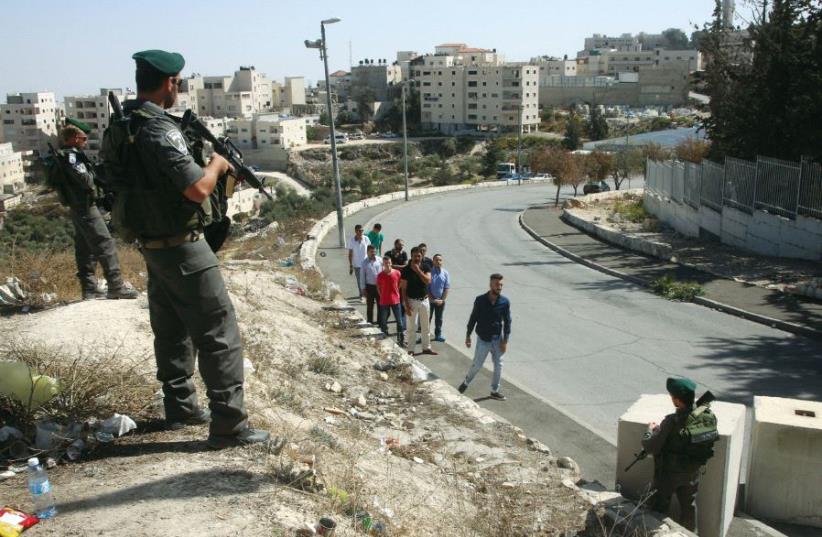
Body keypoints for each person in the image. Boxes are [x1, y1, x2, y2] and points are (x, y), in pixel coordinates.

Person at [103, 49, 269, 448]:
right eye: (178, 83)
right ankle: (230, 425)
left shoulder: (120, 125)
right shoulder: (159, 128)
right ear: (170, 82)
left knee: (172, 328)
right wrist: (216, 164)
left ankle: (180, 408)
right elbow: (196, 188)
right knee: (218, 331)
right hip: (183, 246)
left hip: (153, 244)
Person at [55, 120, 138, 301]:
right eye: (84, 138)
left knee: (85, 248)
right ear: (75, 138)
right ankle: (116, 286)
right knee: (105, 243)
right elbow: (85, 180)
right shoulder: (72, 157)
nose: (85, 141)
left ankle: (89, 289)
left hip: (78, 207)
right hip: (85, 206)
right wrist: (94, 173)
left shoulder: (67, 155)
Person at [641, 377, 707, 531]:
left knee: (658, 508)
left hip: (668, 475)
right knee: (689, 507)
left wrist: (649, 431)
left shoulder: (671, 421)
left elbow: (651, 447)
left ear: (677, 401)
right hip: (692, 472)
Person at [458, 273, 511, 401]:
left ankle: (494, 390)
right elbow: (473, 318)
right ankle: (465, 383)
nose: (499, 287)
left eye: (501, 285)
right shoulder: (480, 300)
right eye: (497, 284)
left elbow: (507, 322)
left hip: (497, 339)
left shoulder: (504, 302)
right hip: (483, 339)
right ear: (491, 285)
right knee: (477, 364)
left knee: (499, 365)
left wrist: (505, 341)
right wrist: (468, 335)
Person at [400, 247, 437, 356]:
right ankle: (411, 350)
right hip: (411, 301)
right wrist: (406, 305)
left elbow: (428, 280)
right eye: (415, 256)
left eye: (419, 256)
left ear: (422, 256)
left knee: (426, 326)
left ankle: (426, 348)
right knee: (412, 327)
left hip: (424, 301)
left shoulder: (426, 267)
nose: (417, 258)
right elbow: (403, 289)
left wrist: (418, 270)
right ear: (411, 256)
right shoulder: (406, 270)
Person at [376, 255, 404, 345]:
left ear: (391, 263)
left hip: (396, 300)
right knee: (383, 321)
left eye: (389, 262)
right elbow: (378, 287)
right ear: (383, 264)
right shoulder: (380, 275)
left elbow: (400, 284)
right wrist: (382, 295)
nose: (387, 264)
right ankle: (384, 335)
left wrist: (396, 292)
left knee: (399, 321)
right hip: (384, 301)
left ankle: (400, 340)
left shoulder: (397, 273)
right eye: (385, 263)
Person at [428, 254, 450, 342]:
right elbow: (427, 288)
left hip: (441, 301)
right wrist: (433, 299)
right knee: (427, 319)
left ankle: (438, 335)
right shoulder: (429, 272)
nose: (438, 262)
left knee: (439, 319)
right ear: (433, 261)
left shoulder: (445, 273)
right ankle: (424, 336)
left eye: (440, 260)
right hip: (429, 301)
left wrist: (442, 300)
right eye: (436, 260)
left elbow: (446, 288)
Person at [347, 224, 370, 300]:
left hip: (366, 263)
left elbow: (370, 250)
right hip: (357, 264)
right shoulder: (351, 240)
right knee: (360, 281)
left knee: (368, 280)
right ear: (356, 231)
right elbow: (350, 253)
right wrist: (350, 265)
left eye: (362, 230)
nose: (361, 232)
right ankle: (362, 295)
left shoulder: (366, 239)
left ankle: (368, 295)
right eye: (360, 231)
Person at [360, 245, 382, 324]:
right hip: (369, 287)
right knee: (370, 306)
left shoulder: (380, 260)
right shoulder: (364, 263)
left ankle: (380, 322)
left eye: (374, 251)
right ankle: (370, 322)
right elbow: (362, 276)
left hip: (380, 287)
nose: (373, 253)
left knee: (380, 305)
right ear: (367, 252)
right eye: (371, 252)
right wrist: (363, 289)